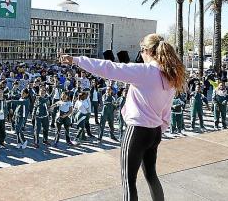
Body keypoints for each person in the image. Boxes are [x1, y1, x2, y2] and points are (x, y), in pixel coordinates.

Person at [61, 33, 185, 201]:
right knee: (151, 176)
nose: (141, 55)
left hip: (137, 132)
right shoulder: (170, 76)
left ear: (147, 51)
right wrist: (158, 129)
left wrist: (76, 60)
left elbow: (108, 68)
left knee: (128, 181)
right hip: (154, 132)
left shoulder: (145, 71)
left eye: (142, 51)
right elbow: (166, 111)